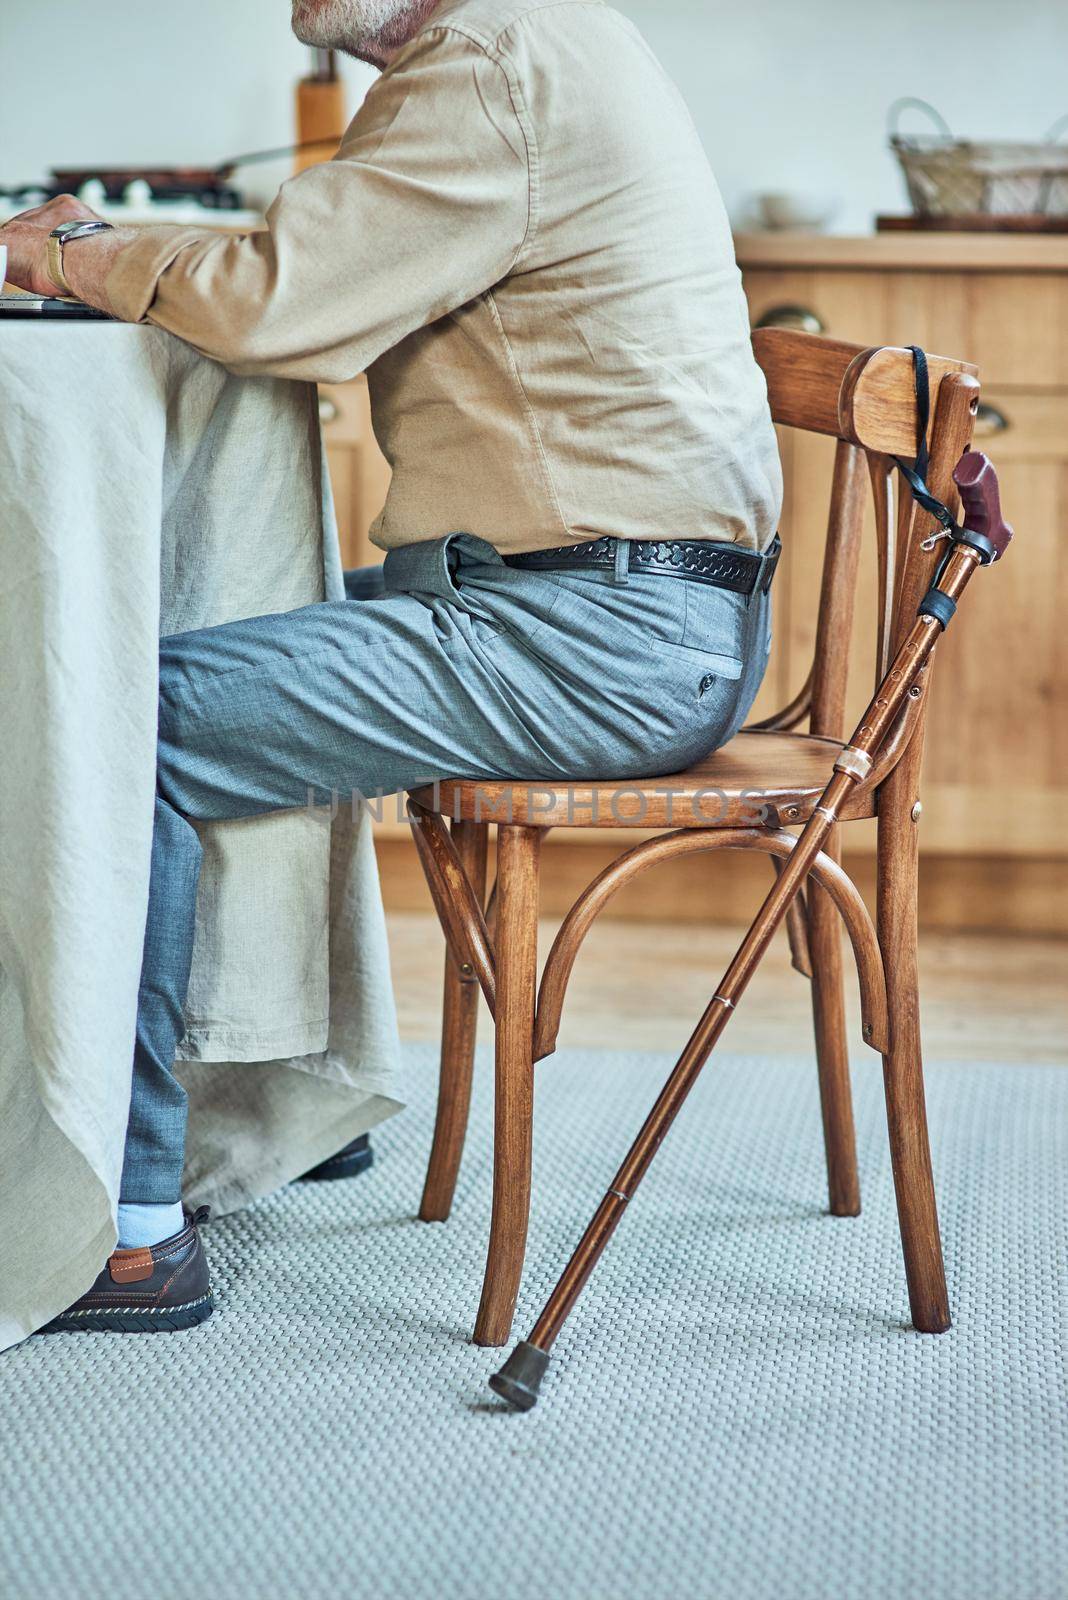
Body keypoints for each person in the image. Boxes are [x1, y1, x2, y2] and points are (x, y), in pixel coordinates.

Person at [1, 0, 782, 1332]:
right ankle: (280, 1096)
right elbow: (302, 264)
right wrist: (111, 245)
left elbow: (284, 304)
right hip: (607, 609)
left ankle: (133, 1233)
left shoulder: (493, 54)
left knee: (126, 718)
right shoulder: (540, 37)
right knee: (242, 634)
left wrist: (74, 249)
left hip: (590, 634)